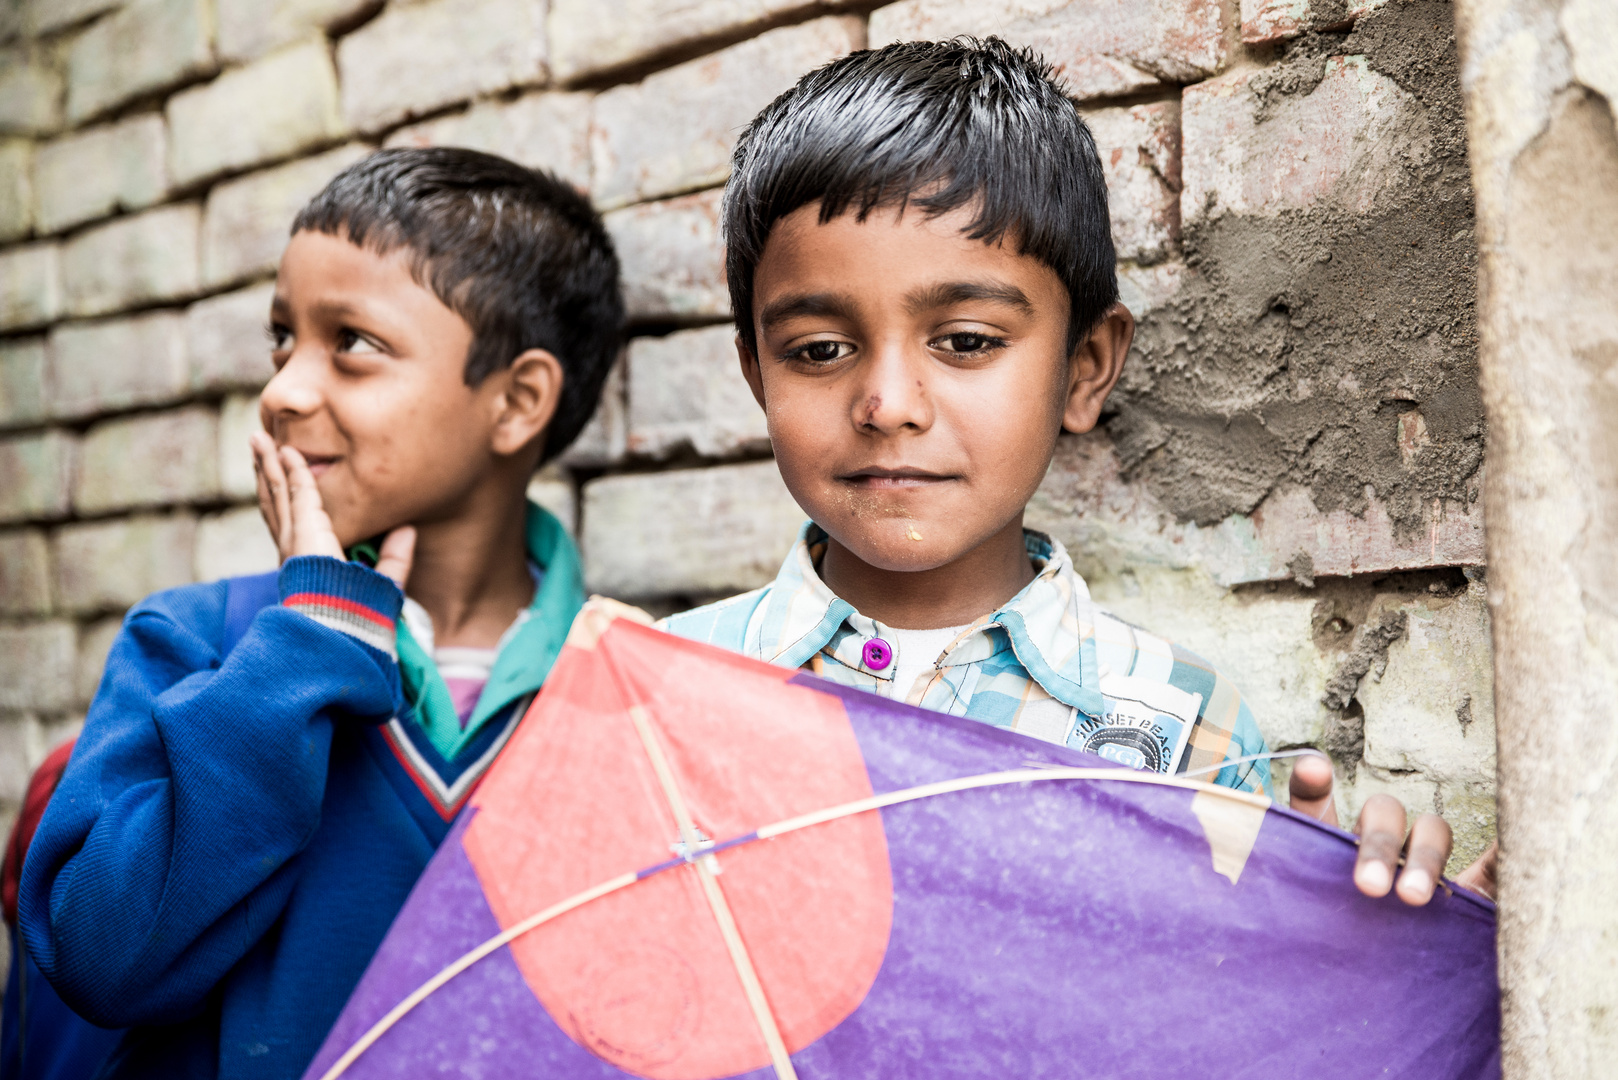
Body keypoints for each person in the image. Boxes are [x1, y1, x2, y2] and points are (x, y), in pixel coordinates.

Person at [661, 39, 1496, 904]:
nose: (889, 404)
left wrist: (1372, 966)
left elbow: (1225, 1024)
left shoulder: (1181, 731)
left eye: (968, 342)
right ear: (758, 374)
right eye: (820, 350)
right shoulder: (660, 698)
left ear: (1086, 366)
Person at [16, 148, 625, 1079]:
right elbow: (103, 962)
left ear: (516, 402)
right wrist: (305, 646)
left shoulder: (632, 698)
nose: (283, 392)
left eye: (352, 345)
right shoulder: (193, 641)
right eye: (281, 341)